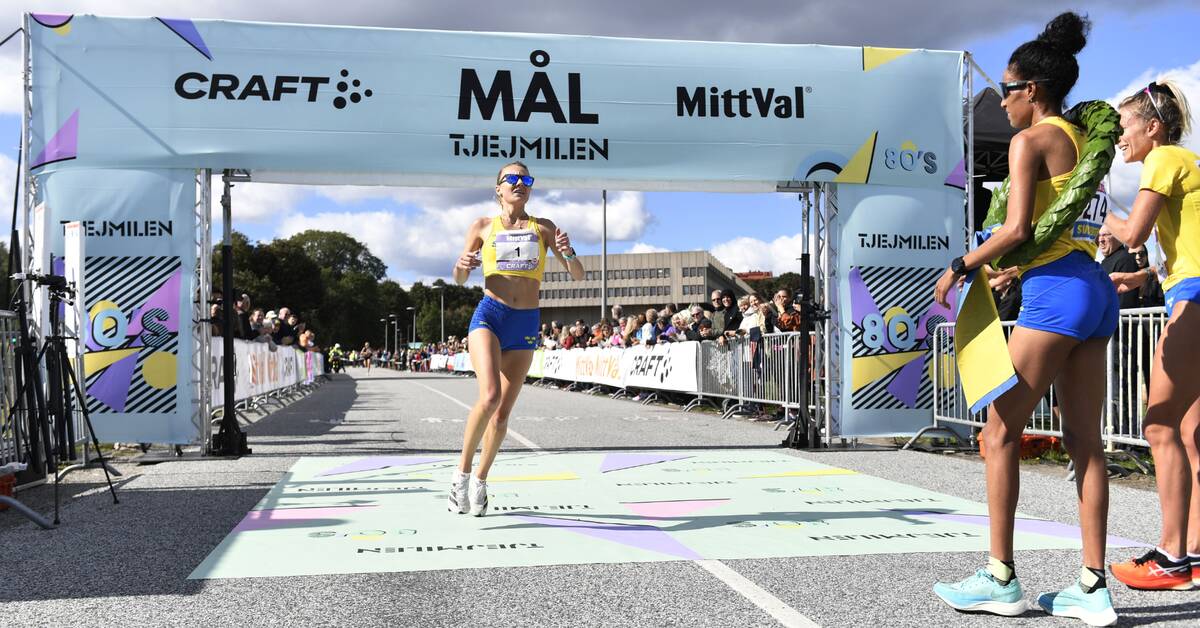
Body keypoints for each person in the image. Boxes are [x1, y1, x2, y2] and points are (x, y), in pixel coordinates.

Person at [931, 13, 1120, 624]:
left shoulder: (1029, 140)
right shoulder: (1084, 141)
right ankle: (1092, 586)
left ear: (1031, 90)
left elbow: (1015, 228)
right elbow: (1060, 225)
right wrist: (1015, 267)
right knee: (1085, 441)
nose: (1003, 102)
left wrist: (962, 265)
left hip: (1057, 294)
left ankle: (1000, 578)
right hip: (1094, 288)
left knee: (998, 432)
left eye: (1007, 91)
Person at [1101, 79, 1200, 591]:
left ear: (1153, 127)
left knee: (1160, 424)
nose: (1120, 136)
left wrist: (1098, 204)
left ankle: (1171, 558)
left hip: (1194, 296)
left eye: (1125, 125)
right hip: (1191, 289)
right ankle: (1194, 554)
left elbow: (1134, 232)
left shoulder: (1163, 159)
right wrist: (1140, 276)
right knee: (1191, 434)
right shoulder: (1186, 160)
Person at [449, 161, 582, 517]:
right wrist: (462, 265)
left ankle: (480, 479)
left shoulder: (544, 228)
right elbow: (459, 278)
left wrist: (568, 251)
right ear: (499, 188)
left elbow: (578, 275)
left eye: (526, 179)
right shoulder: (482, 226)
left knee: (501, 416)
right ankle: (460, 476)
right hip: (490, 315)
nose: (520, 183)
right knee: (489, 396)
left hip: (525, 320)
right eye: (512, 178)